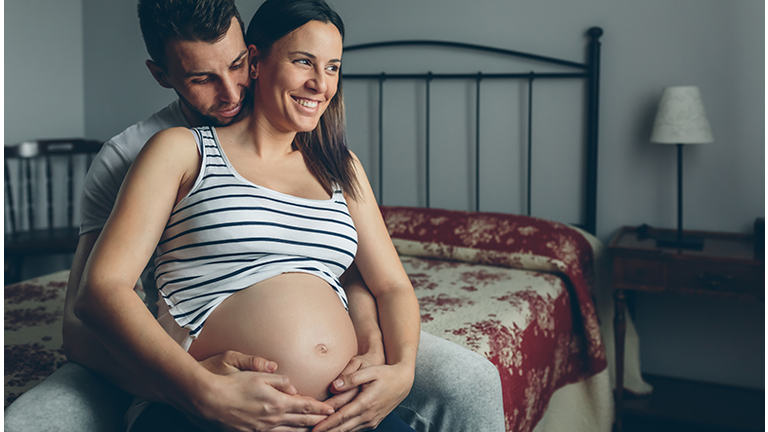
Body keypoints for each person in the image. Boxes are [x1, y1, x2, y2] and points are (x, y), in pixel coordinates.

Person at [3, 0, 505, 431]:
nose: (230, 92)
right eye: (202, 78)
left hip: (334, 400)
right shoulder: (154, 151)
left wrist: (395, 365)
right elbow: (91, 306)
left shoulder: (334, 162)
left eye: (236, 64)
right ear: (162, 75)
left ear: (252, 56)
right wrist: (194, 385)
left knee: (471, 380)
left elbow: (368, 277)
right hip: (186, 366)